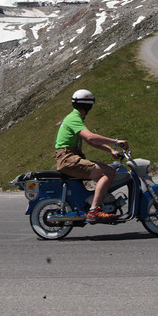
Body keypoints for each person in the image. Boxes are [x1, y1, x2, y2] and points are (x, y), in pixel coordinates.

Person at [54, 89, 128, 222]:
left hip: (70, 157)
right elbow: (91, 137)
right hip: (68, 159)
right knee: (109, 172)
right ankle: (94, 211)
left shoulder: (74, 117)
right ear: (88, 106)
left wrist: (110, 150)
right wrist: (116, 142)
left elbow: (91, 142)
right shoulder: (73, 118)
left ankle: (97, 203)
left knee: (105, 169)